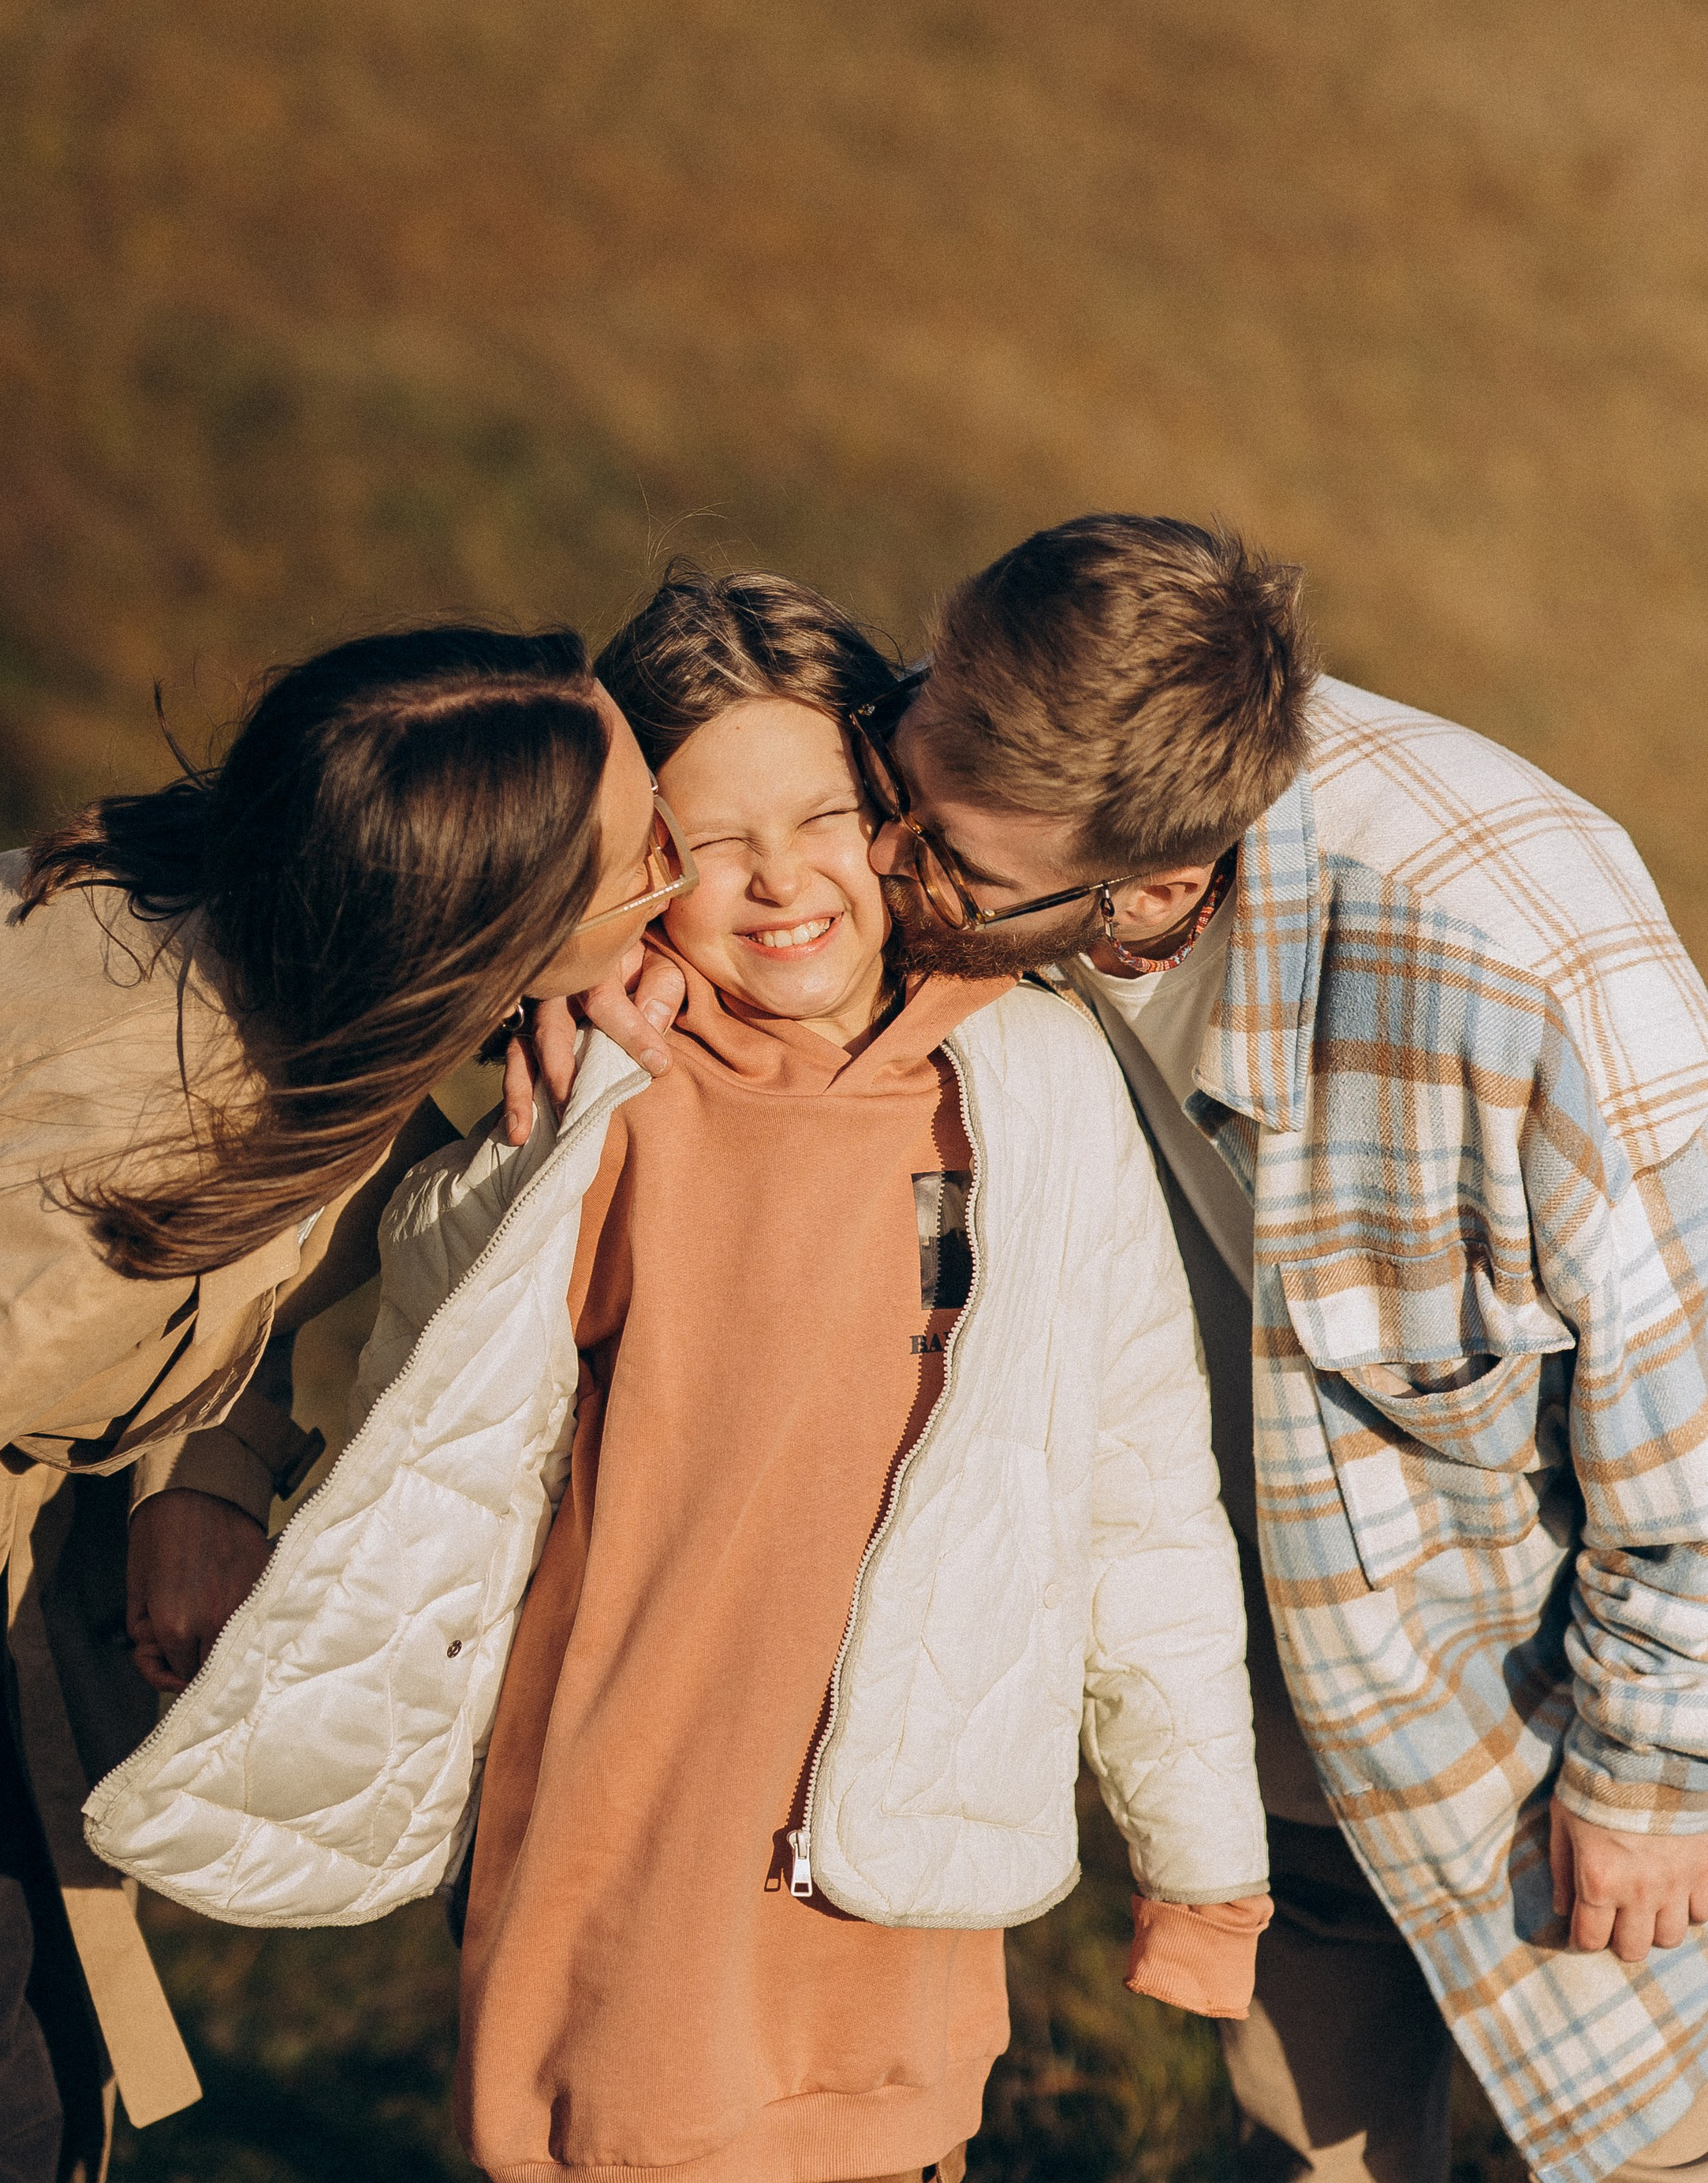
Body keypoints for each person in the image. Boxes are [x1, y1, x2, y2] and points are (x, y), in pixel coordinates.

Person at [86, 570, 1272, 2183]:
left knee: (895, 2138)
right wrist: (533, 1149)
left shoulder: (1039, 1087)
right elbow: (419, 1390)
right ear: (639, 864)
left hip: (901, 1838)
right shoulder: (607, 1093)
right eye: (709, 841)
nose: (777, 877)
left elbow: (1138, 1491)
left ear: (897, 815)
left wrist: (1202, 1864)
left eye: (822, 816)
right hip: (630, 1827)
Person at [0, 625, 684, 2183]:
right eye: (646, 858)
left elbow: (308, 1252)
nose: (679, 884)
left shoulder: (227, 922)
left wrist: (201, 1468)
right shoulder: (124, 1175)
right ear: (480, 930)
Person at [819, 513, 1708, 2183]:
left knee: (1619, 2154)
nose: (882, 868)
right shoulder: (986, 762)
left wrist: (1655, 1764)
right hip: (1289, 1687)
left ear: (1157, 884)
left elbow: (1697, 1396)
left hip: (1564, 1727)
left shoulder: (1513, 977)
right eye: (894, 778)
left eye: (948, 863)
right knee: (1293, 2152)